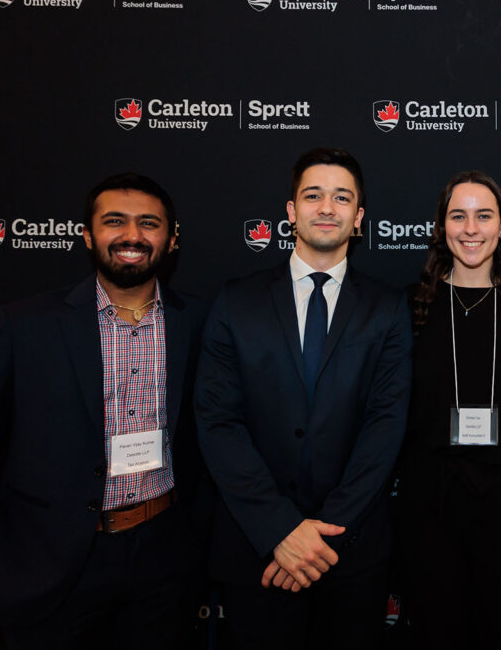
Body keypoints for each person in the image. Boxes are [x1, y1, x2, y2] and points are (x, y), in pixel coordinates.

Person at [0, 173, 211, 647]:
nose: (132, 236)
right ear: (88, 235)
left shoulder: (202, 322)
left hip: (163, 558)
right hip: (50, 562)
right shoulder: (22, 327)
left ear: (171, 240)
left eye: (149, 223)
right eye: (115, 222)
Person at [194, 147, 411, 649]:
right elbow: (218, 422)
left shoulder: (387, 307)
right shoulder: (236, 301)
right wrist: (280, 530)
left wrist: (318, 539)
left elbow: (385, 426)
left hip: (349, 552)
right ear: (291, 211)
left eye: (342, 198)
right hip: (257, 551)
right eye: (313, 196)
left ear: (358, 218)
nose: (326, 208)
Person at [399, 170, 501, 650]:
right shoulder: (409, 308)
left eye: (484, 216)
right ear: (441, 226)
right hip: (431, 505)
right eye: (458, 215)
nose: (471, 228)